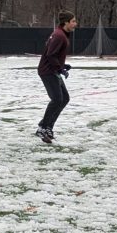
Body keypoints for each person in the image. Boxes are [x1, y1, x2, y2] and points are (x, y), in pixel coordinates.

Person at [35, 10, 78, 144]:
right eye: (73, 21)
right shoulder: (59, 35)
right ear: (66, 22)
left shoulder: (61, 34)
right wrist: (60, 68)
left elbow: (53, 54)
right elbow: (50, 55)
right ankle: (42, 127)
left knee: (64, 98)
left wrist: (62, 65)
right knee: (57, 99)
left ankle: (48, 127)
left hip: (53, 70)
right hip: (48, 71)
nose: (75, 24)